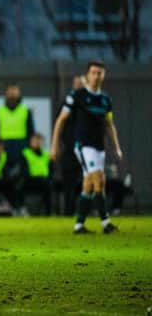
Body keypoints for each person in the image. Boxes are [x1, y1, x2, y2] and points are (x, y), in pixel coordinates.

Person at [51, 60, 123, 234]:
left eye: (100, 73)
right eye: (93, 72)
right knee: (99, 179)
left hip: (99, 147)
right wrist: (54, 145)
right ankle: (106, 223)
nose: (97, 76)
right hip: (83, 146)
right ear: (87, 75)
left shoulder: (105, 100)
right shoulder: (78, 96)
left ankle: (79, 225)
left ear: (104, 75)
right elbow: (61, 120)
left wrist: (117, 147)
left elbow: (109, 124)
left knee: (89, 184)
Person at [0, 82, 35, 186]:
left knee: (21, 176)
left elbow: (30, 131)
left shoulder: (25, 111)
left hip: (21, 146)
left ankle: (19, 200)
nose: (12, 94)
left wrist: (27, 146)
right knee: (4, 176)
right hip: (4, 147)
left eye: (15, 91)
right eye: (10, 91)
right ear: (5, 94)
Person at [56, 75, 86, 215]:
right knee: (68, 184)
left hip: (87, 150)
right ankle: (69, 213)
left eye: (81, 84)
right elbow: (59, 124)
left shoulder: (91, 103)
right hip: (69, 150)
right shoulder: (67, 103)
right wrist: (56, 144)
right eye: (77, 84)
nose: (79, 86)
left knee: (89, 183)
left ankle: (86, 212)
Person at [18, 132, 52, 216]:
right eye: (35, 141)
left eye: (39, 141)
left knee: (50, 186)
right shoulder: (25, 153)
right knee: (19, 185)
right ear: (30, 142)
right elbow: (23, 170)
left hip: (44, 180)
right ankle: (22, 209)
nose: (37, 143)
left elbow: (51, 170)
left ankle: (49, 213)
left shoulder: (46, 154)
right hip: (30, 180)